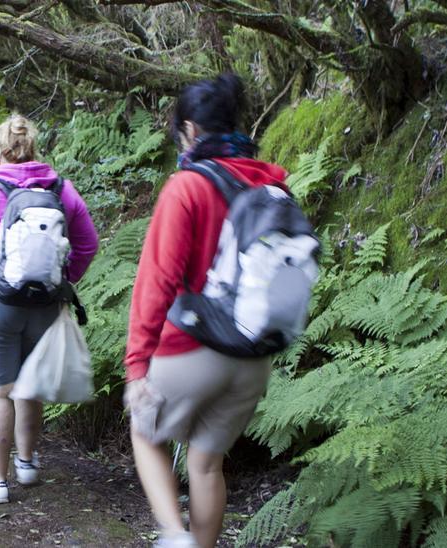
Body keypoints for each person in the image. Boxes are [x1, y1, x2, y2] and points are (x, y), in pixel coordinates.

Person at [123, 74, 288, 548]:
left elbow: (157, 281)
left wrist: (137, 366)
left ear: (191, 131)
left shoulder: (187, 186)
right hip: (254, 357)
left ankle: (175, 536)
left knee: (145, 432)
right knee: (206, 464)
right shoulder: (273, 187)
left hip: (192, 350)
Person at [0, 114, 99, 504]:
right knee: (30, 386)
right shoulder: (61, 189)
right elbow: (88, 244)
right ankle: (26, 464)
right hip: (45, 303)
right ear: (34, 148)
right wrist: (63, 279)